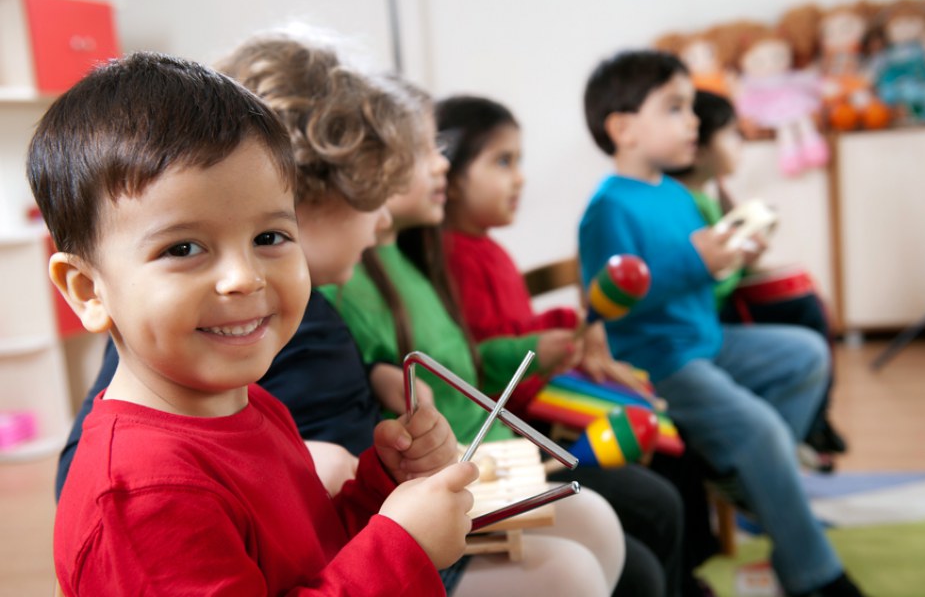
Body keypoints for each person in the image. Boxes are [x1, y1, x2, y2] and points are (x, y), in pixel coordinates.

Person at [55, 35, 622, 596]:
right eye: (182, 248)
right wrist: (403, 547)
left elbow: (312, 558)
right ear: (87, 290)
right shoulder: (141, 499)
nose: (244, 277)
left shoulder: (251, 404)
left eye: (270, 236)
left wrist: (384, 488)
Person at [327, 82, 684, 597]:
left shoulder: (409, 259)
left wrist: (548, 340)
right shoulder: (365, 275)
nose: (441, 166)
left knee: (652, 504)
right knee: (645, 538)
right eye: (425, 150)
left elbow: (469, 362)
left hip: (495, 448)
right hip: (473, 463)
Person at [578, 49, 866, 597]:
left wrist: (730, 256)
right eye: (675, 107)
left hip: (705, 342)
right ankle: (813, 574)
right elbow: (606, 304)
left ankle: (740, 478)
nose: (692, 121)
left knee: (805, 353)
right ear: (623, 128)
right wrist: (696, 263)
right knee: (760, 432)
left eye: (690, 108)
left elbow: (696, 274)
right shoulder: (609, 208)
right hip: (659, 363)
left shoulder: (674, 194)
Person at [437, 94, 718, 597]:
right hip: (530, 423)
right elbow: (480, 356)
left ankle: (685, 573)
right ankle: (678, 578)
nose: (520, 176)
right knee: (661, 486)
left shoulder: (488, 247)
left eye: (519, 161)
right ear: (451, 177)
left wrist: (567, 321)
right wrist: (538, 347)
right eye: (503, 162)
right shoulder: (455, 259)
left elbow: (514, 324)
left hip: (542, 402)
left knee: (669, 434)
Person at [667, 89, 847, 470]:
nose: (741, 142)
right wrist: (739, 261)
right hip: (708, 321)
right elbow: (707, 284)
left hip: (713, 313)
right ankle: (799, 432)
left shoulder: (708, 195)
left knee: (805, 301)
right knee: (805, 310)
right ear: (698, 149)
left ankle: (808, 424)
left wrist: (747, 258)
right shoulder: (687, 202)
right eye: (731, 133)